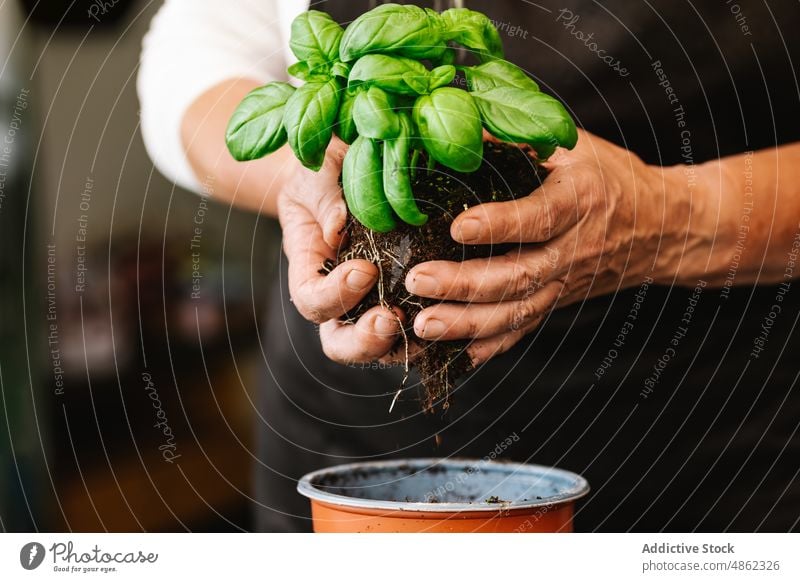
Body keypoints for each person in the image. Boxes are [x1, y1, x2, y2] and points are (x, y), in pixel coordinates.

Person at [138, 0, 800, 532]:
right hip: (364, 445)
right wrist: (299, 177)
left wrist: (668, 217)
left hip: (715, 443)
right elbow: (197, 50)